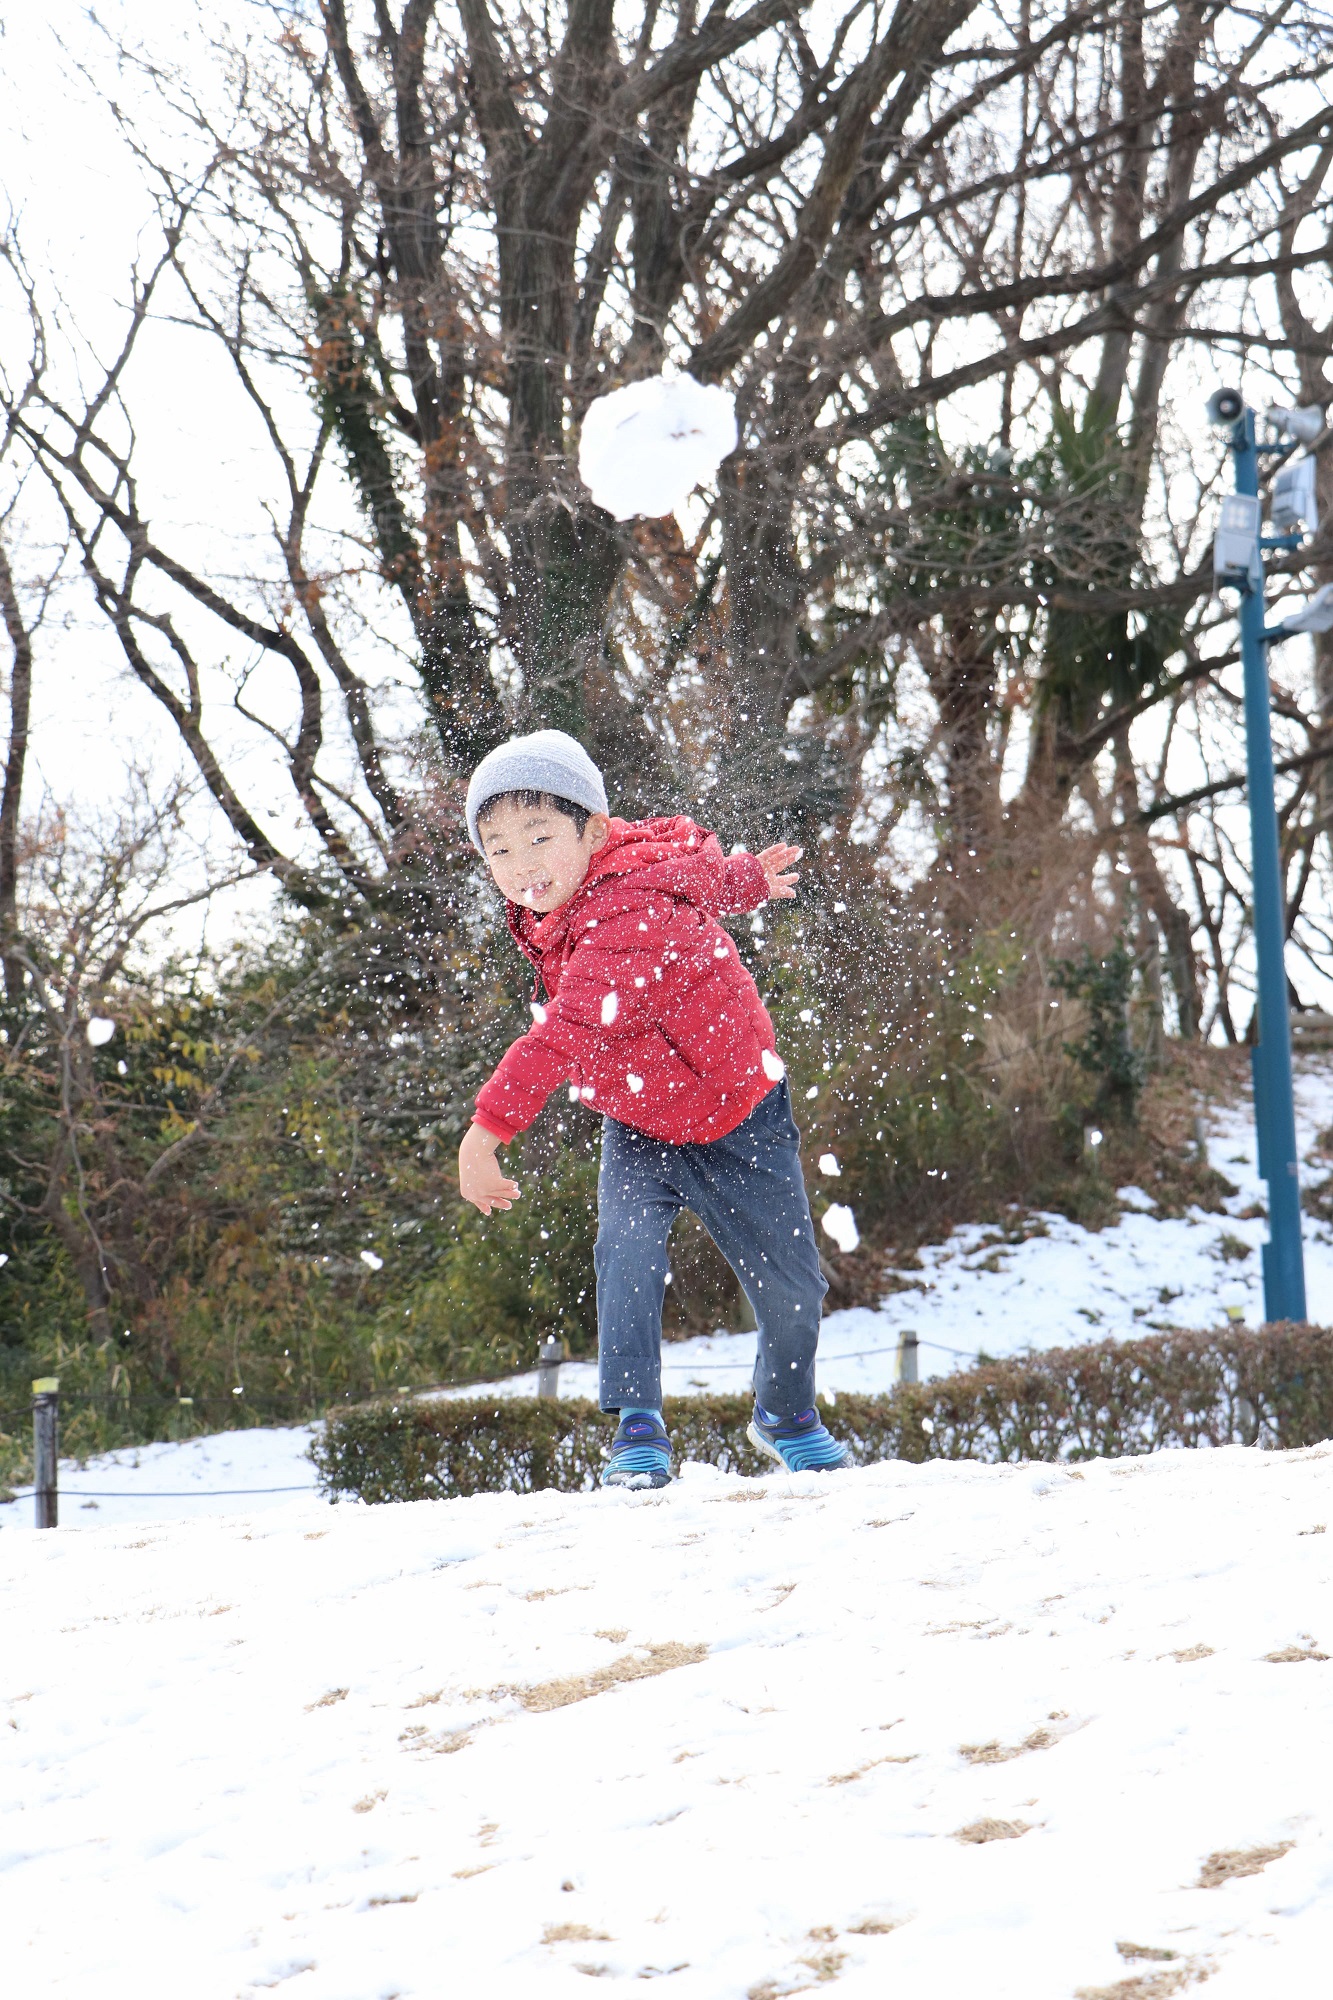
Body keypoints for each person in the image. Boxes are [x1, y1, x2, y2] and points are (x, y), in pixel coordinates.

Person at [457, 728, 848, 1489]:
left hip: (742, 1113)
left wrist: (487, 1130)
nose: (520, 864)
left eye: (538, 836)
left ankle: (786, 1413)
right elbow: (694, 875)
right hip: (640, 1119)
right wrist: (744, 883)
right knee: (626, 1255)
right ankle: (636, 1427)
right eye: (498, 850)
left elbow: (564, 1031)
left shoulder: (621, 912)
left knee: (792, 1285)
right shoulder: (564, 903)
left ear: (594, 831)